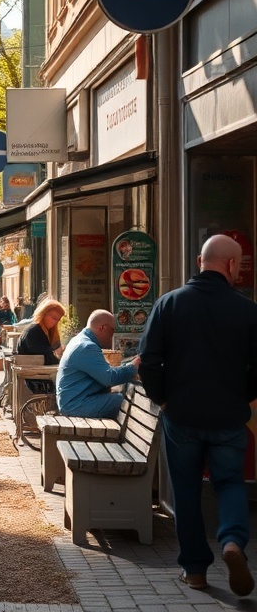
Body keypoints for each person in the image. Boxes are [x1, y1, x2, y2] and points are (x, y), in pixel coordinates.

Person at [139, 234, 257, 596]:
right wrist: (244, 397)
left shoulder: (169, 304)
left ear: (198, 261)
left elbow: (148, 361)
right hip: (227, 416)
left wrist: (163, 400)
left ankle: (194, 571)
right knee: (229, 483)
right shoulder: (248, 310)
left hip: (183, 416)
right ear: (233, 265)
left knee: (187, 491)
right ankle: (233, 542)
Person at [56, 309, 139, 418]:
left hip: (73, 401)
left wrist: (129, 365)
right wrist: (133, 367)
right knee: (130, 401)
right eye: (112, 331)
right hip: (76, 405)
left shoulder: (79, 340)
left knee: (124, 396)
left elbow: (105, 373)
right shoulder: (86, 347)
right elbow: (109, 378)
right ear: (103, 328)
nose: (112, 336)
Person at [16, 298, 66, 394]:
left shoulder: (45, 330)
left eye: (58, 320)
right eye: (53, 318)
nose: (55, 322)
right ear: (44, 313)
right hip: (35, 377)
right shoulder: (35, 331)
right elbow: (46, 357)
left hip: (39, 373)